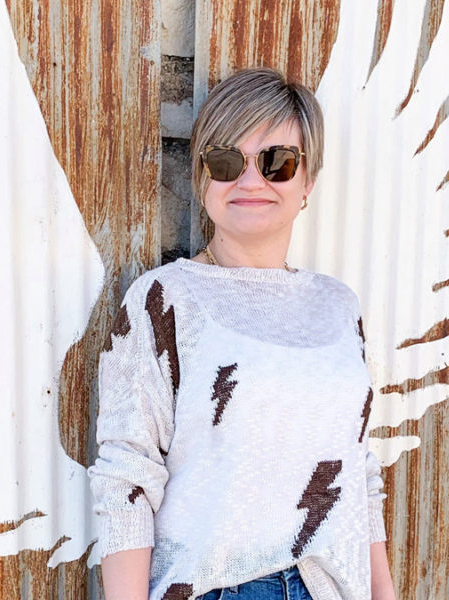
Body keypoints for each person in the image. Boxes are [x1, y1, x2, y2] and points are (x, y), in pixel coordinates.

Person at [88, 67, 396, 600]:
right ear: (202, 178)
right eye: (227, 161)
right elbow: (127, 478)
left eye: (278, 162)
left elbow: (358, 476)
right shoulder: (165, 299)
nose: (251, 180)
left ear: (308, 182)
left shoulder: (338, 307)